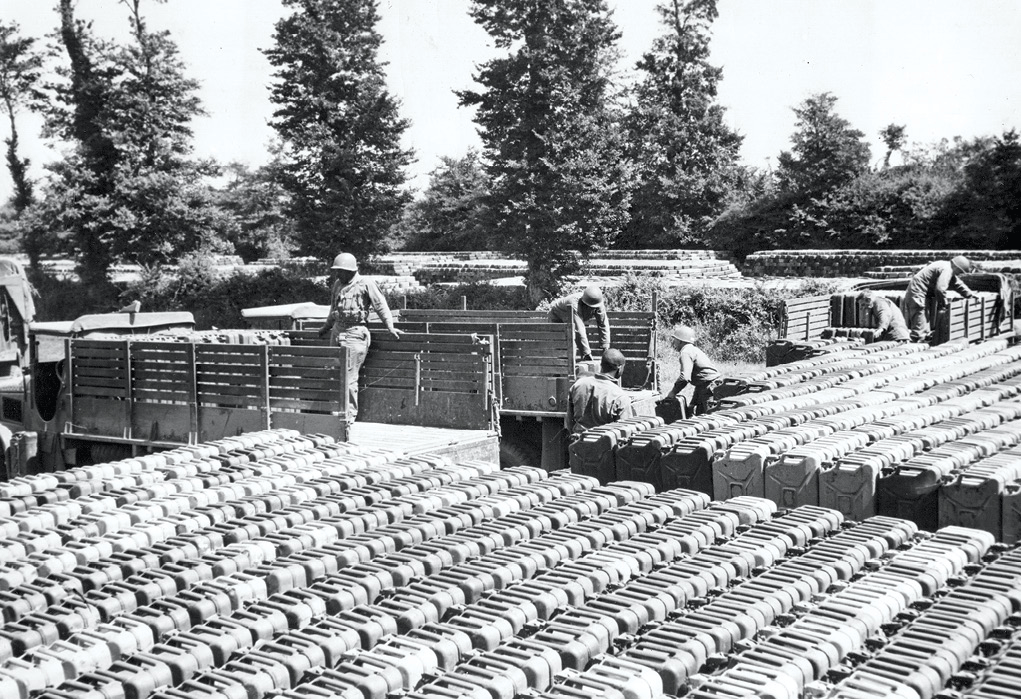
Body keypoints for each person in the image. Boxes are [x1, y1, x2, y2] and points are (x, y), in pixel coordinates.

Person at [317, 252, 402, 421]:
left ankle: (348, 416)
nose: (338, 274)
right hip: (337, 332)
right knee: (334, 374)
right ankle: (335, 413)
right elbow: (333, 309)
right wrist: (326, 327)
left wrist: (390, 326)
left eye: (340, 271)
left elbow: (381, 305)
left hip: (355, 334)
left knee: (349, 377)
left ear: (350, 270)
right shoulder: (337, 285)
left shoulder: (366, 283)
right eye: (337, 271)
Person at [900, 256, 976, 342]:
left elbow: (957, 284)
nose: (958, 274)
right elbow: (940, 289)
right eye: (959, 272)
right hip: (917, 293)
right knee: (920, 322)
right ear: (956, 266)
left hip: (921, 293)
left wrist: (971, 295)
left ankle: (922, 339)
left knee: (924, 320)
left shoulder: (945, 266)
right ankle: (917, 343)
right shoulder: (947, 269)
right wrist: (945, 304)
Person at [566, 348, 634, 434]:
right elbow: (625, 431)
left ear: (601, 365)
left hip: (578, 443)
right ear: (619, 368)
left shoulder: (578, 385)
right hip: (604, 444)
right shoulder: (620, 396)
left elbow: (569, 422)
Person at [662, 325, 721, 416]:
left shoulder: (686, 352)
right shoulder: (694, 350)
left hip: (709, 390)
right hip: (710, 387)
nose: (674, 343)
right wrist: (693, 403)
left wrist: (673, 392)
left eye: (675, 340)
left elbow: (685, 378)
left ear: (681, 341)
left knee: (711, 420)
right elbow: (702, 381)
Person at [547, 285, 610, 361]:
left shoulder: (598, 302)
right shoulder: (574, 304)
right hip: (557, 317)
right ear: (585, 303)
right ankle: (561, 369)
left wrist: (605, 346)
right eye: (591, 307)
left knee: (575, 342)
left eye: (594, 307)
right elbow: (579, 329)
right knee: (564, 345)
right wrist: (586, 354)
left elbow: (603, 324)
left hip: (575, 317)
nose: (593, 309)